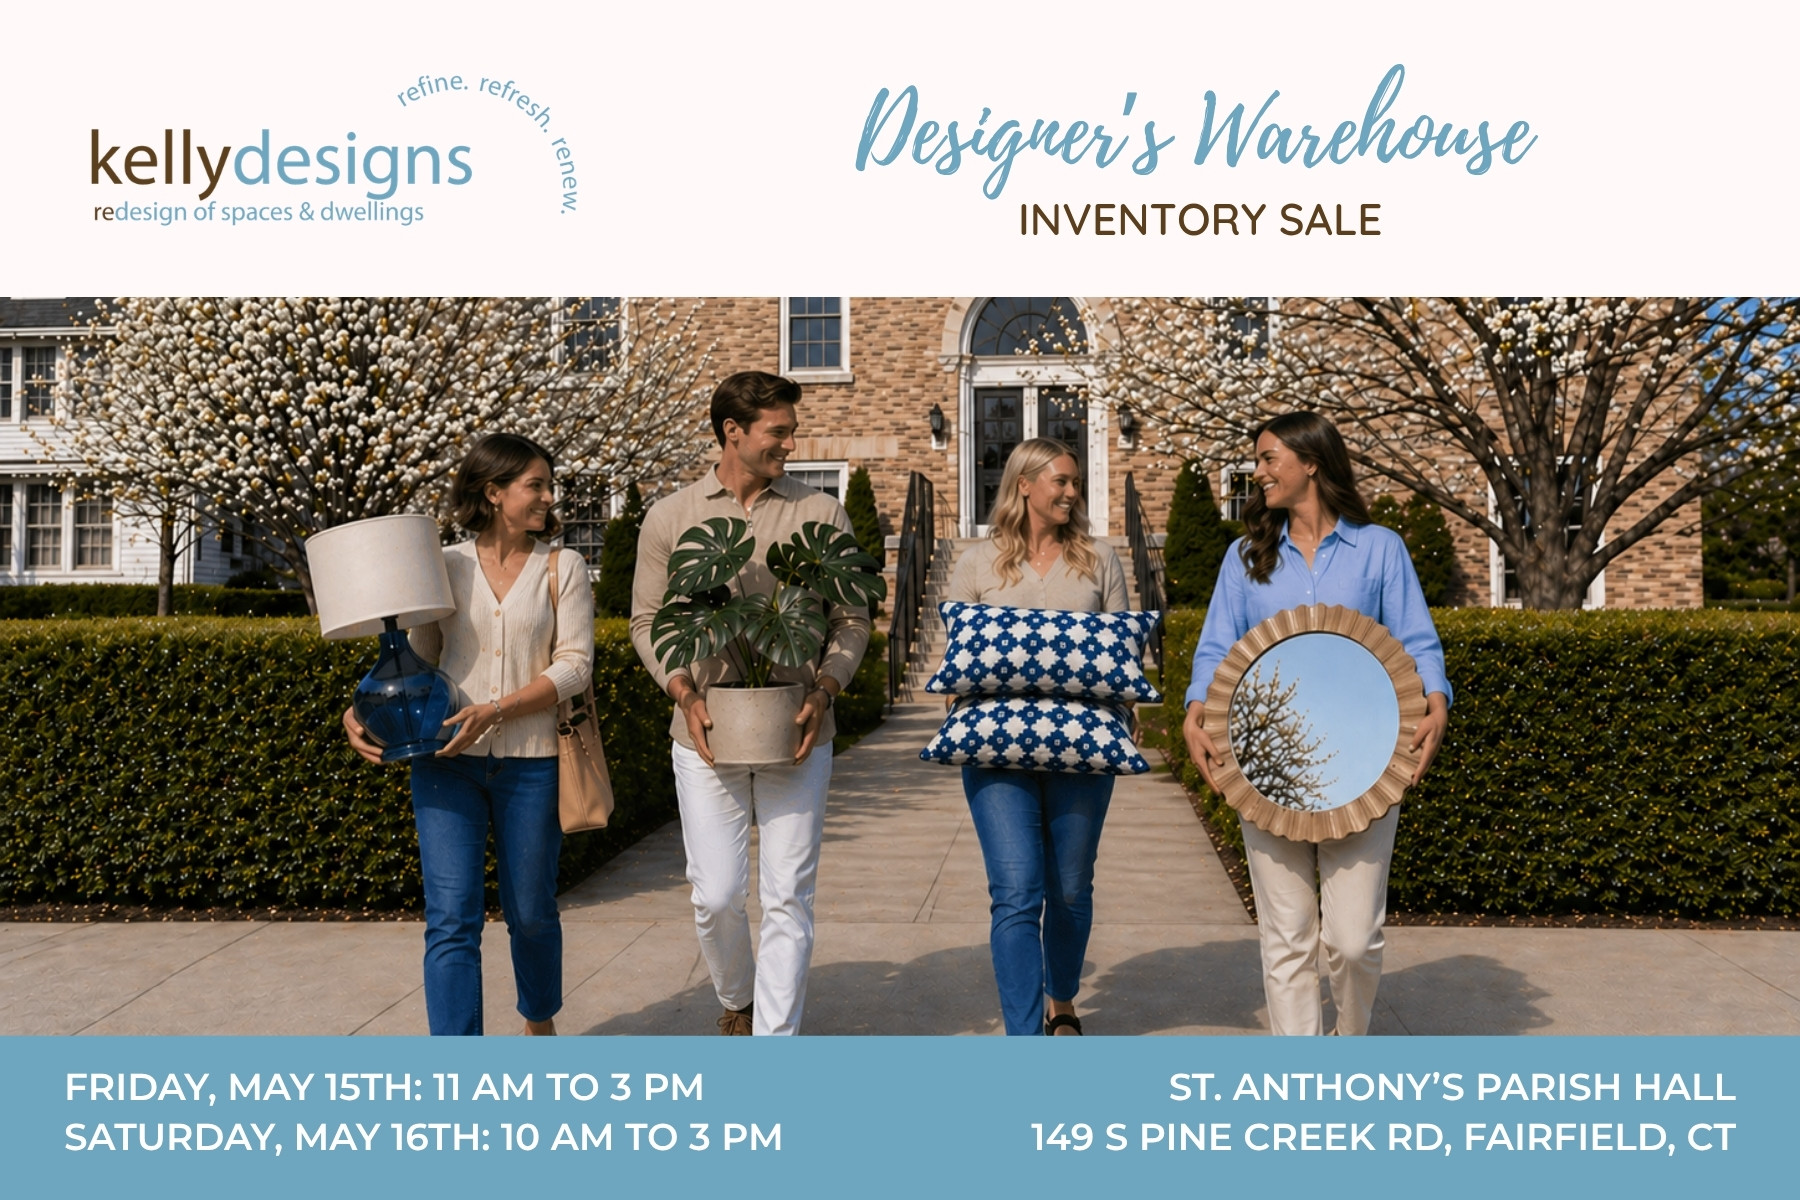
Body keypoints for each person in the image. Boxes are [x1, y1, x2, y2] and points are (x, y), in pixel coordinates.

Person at [1183, 412, 1450, 1036]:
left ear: (1312, 463)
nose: (1259, 471)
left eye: (1270, 457)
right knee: (1287, 937)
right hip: (1265, 764)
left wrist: (1436, 698)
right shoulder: (1244, 557)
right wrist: (1197, 710)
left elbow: (1417, 639)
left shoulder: (1381, 548)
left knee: (1354, 942)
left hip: (1364, 764)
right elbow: (1216, 648)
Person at [629, 371, 871, 1036]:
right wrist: (682, 690)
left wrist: (827, 689)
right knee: (716, 896)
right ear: (733, 432)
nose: (791, 444)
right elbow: (647, 620)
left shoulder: (819, 514)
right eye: (779, 432)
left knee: (789, 896)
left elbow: (852, 617)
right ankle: (737, 994)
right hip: (706, 734)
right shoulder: (672, 517)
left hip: (798, 731)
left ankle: (774, 1044)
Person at [344, 433, 595, 1037]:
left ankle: (539, 1018)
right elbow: (416, 662)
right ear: (494, 491)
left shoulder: (563, 567)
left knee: (530, 912)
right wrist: (361, 711)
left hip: (532, 765)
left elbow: (576, 665)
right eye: (534, 484)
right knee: (451, 918)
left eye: (546, 485)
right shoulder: (445, 566)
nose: (547, 496)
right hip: (445, 765)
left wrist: (497, 710)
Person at [946, 437, 1131, 1036]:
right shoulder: (976, 563)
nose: (1072, 492)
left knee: (1072, 889)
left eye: (1076, 482)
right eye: (1062, 481)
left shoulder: (1100, 561)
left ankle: (1063, 997)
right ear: (1024, 484)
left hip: (1082, 748)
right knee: (1017, 892)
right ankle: (1024, 1036)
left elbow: (1125, 654)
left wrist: (1124, 711)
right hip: (998, 751)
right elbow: (956, 662)